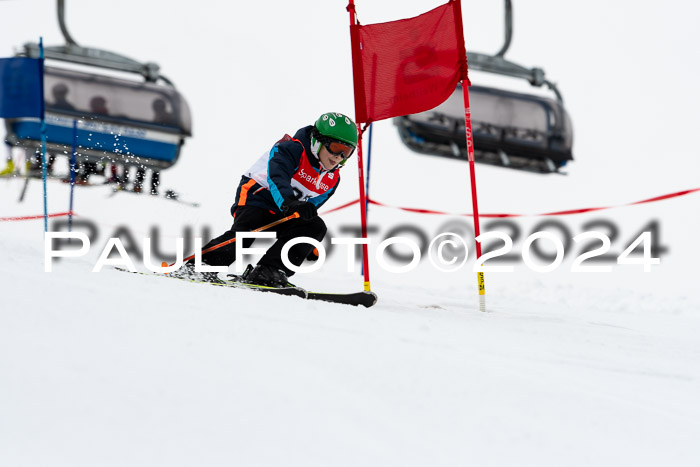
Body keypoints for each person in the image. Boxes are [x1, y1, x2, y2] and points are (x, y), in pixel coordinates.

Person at [170, 112, 358, 287]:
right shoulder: (291, 149)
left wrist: (307, 241)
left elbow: (310, 208)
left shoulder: (332, 178)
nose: (339, 157)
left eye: (347, 152)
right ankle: (198, 267)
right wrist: (289, 202)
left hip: (286, 210)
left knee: (314, 226)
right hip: (257, 197)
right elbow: (277, 178)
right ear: (318, 141)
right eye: (336, 148)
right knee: (247, 233)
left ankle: (269, 272)